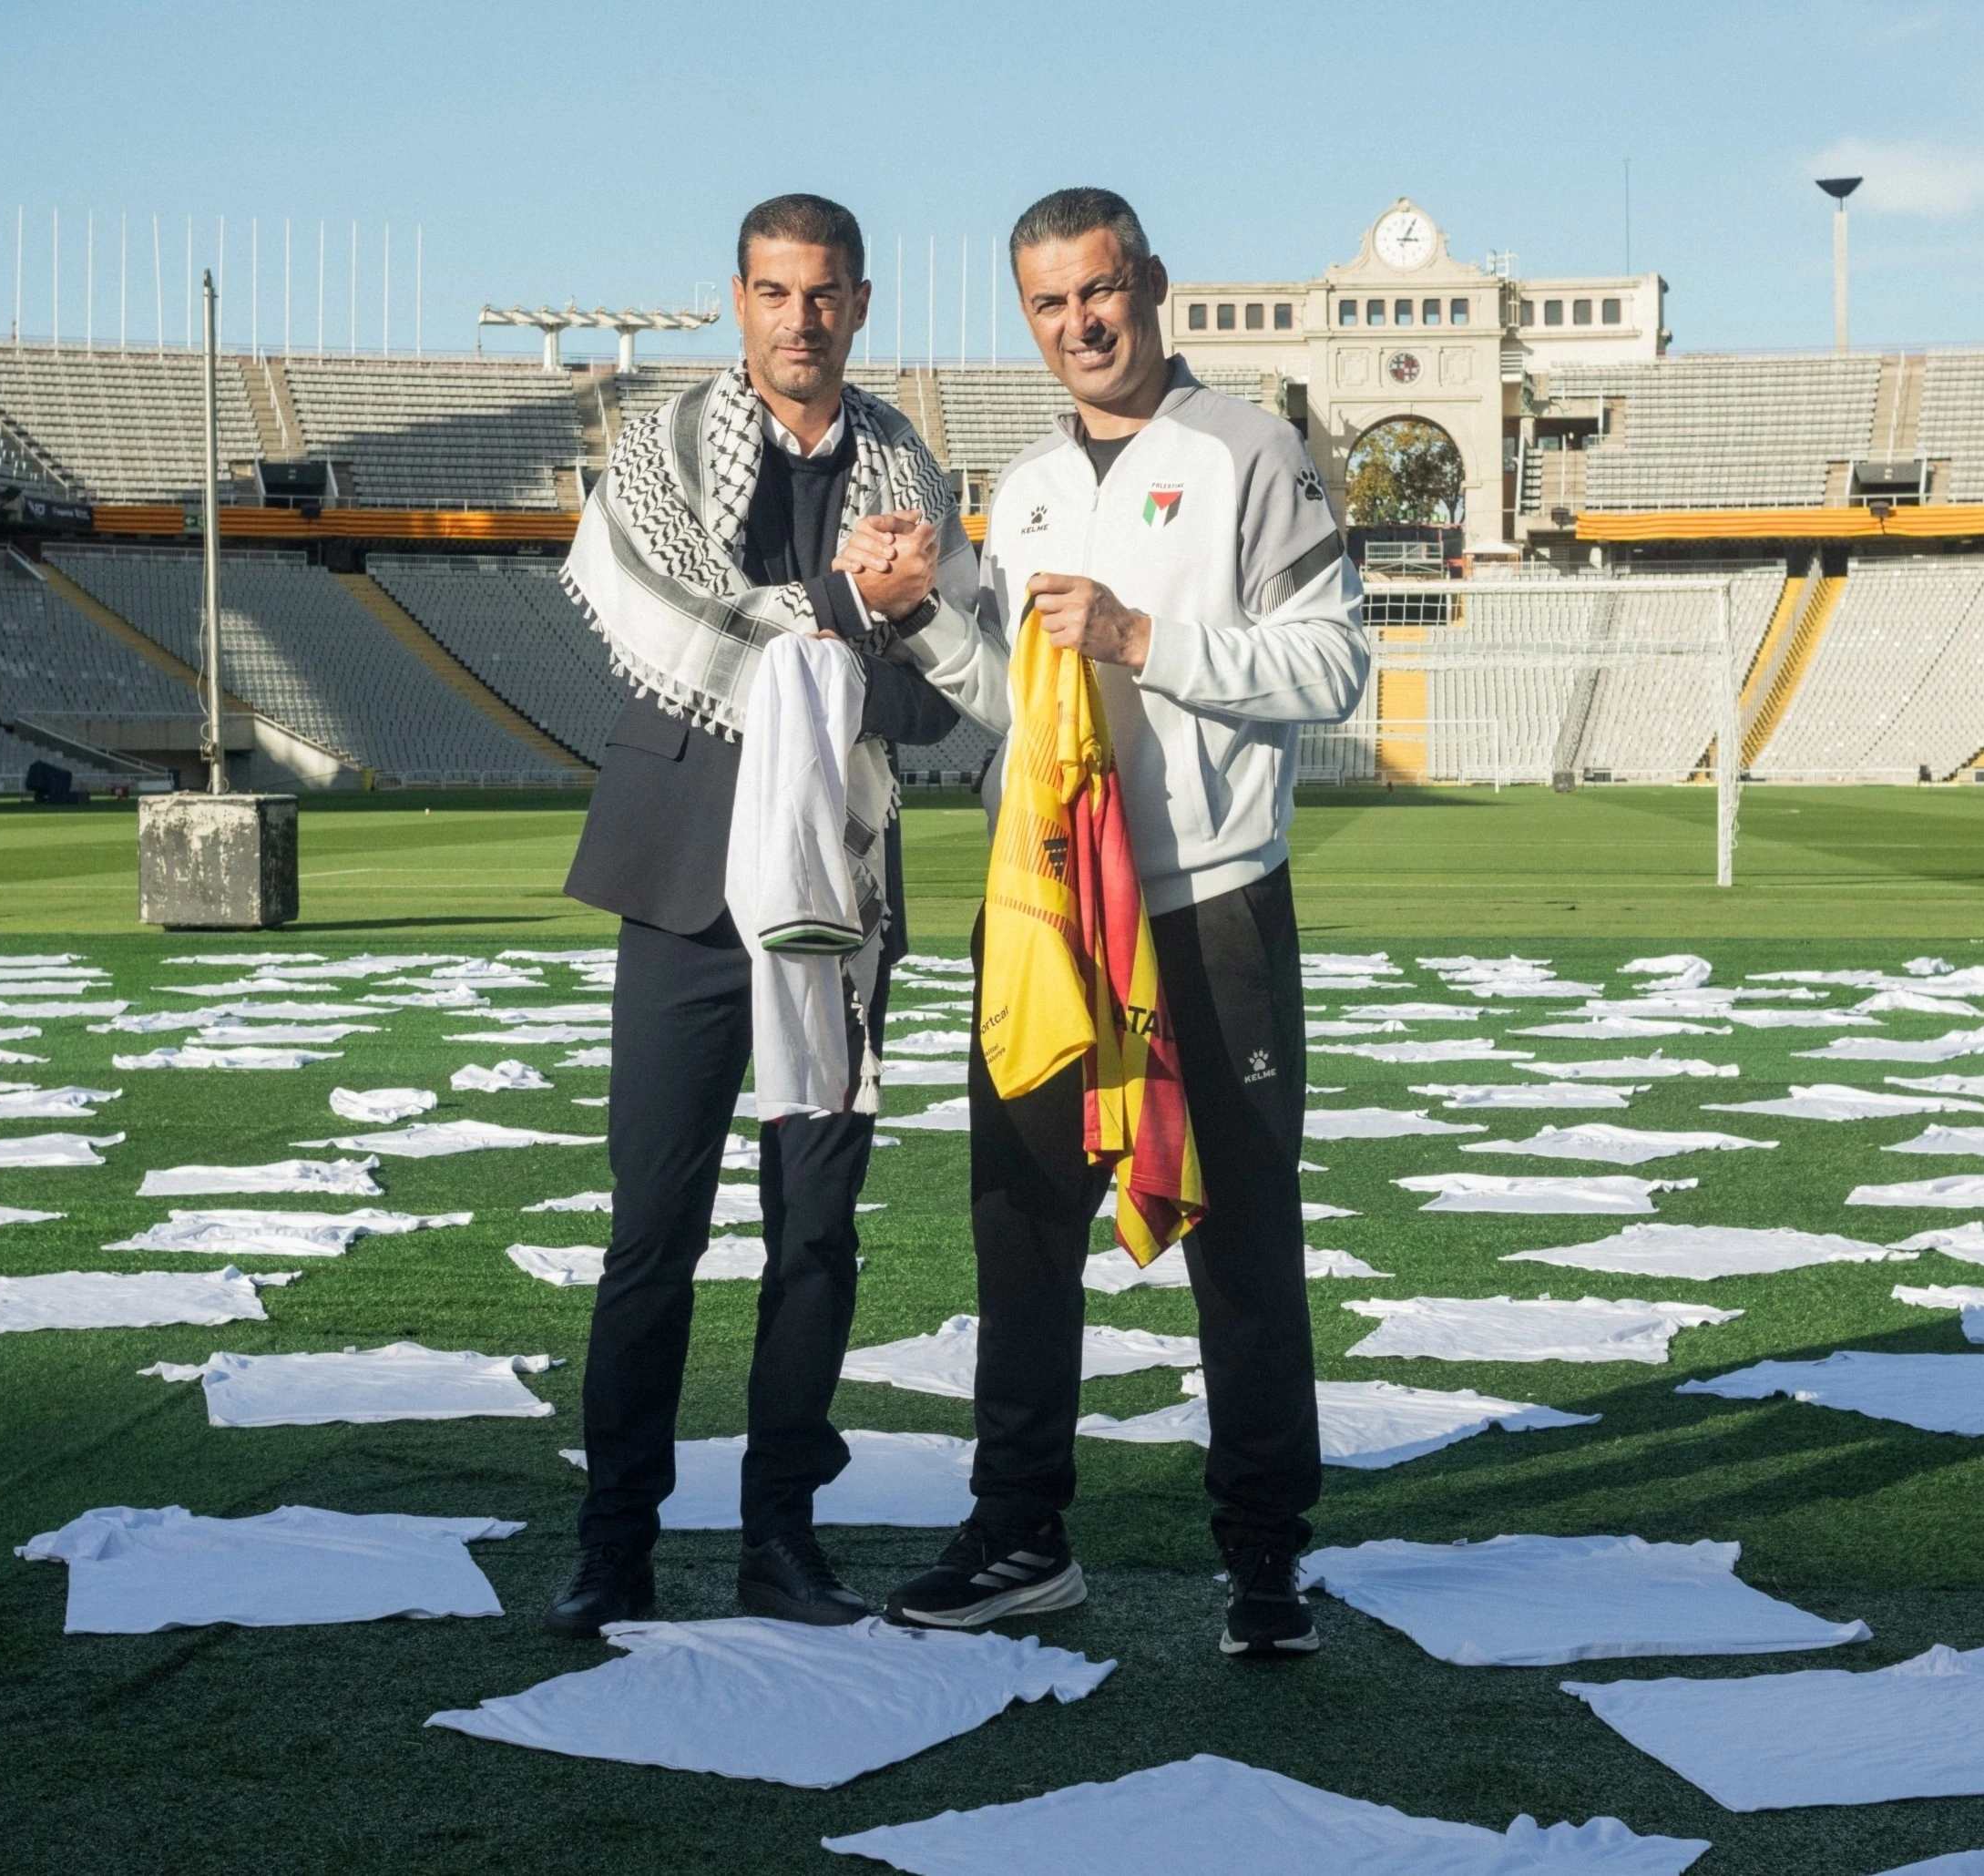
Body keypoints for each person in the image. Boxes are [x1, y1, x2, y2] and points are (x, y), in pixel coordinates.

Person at [883, 188, 1368, 1657]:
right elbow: (1017, 703)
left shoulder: (1247, 452)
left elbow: (1335, 664)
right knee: (1022, 1224)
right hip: (1048, 906)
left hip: (1208, 901)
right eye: (1049, 303)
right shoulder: (1025, 487)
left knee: (1241, 1234)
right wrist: (921, 616)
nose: (1079, 323)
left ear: (1150, 283)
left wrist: (1142, 635)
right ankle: (1021, 1534)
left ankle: (1266, 1555)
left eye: (1098, 290)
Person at [547, 192, 991, 1637]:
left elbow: (937, 695)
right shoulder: (665, 447)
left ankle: (781, 1535)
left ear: (860, 304)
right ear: (738, 300)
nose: (802, 318)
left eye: (827, 293)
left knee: (815, 1231)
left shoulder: (909, 469)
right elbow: (671, 627)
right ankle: (613, 1540)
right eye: (776, 292)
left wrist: (879, 624)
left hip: (837, 892)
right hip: (682, 879)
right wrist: (850, 610)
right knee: (653, 1229)